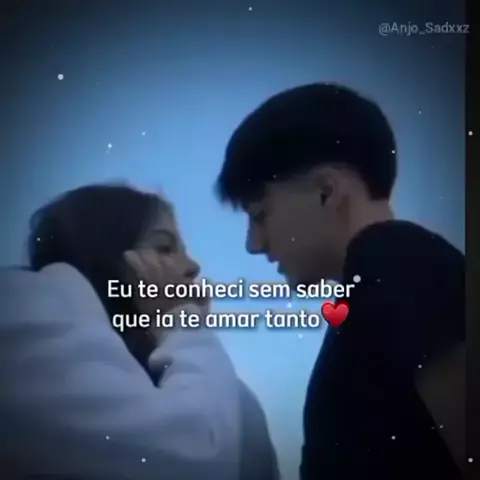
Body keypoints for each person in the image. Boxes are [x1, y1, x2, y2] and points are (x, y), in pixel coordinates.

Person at [215, 83, 465, 479]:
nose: (253, 244)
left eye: (261, 215)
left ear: (326, 191)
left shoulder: (392, 255)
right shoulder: (375, 287)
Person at [0, 183, 278, 479]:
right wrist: (184, 323)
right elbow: (191, 459)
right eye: (164, 248)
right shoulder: (28, 304)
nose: (194, 266)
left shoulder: (230, 395)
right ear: (105, 258)